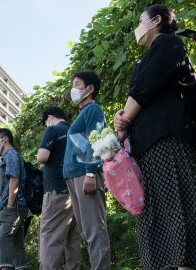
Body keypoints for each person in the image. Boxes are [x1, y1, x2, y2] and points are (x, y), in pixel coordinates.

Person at [113, 5, 196, 269]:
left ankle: (185, 265)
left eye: (141, 22)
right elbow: (140, 89)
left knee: (175, 204)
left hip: (166, 140)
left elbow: (143, 88)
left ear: (155, 20)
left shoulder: (168, 43)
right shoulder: (152, 55)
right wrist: (123, 118)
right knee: (154, 210)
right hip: (148, 146)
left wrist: (125, 119)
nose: (137, 29)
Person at [63, 70, 111, 270]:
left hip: (86, 174)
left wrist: (91, 172)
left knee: (94, 231)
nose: (73, 89)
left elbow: (98, 140)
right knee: (85, 231)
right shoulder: (82, 113)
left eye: (77, 84)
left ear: (90, 88)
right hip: (74, 176)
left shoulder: (94, 110)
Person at [37, 106, 81, 270]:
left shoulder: (53, 130)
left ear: (49, 117)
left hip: (57, 190)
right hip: (75, 191)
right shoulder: (75, 130)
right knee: (72, 239)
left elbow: (42, 157)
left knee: (50, 236)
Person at [0, 128, 28, 270]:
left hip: (14, 206)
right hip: (17, 206)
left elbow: (14, 180)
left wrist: (9, 205)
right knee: (17, 244)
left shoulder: (11, 155)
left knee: (3, 238)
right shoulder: (8, 157)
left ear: (5, 139)